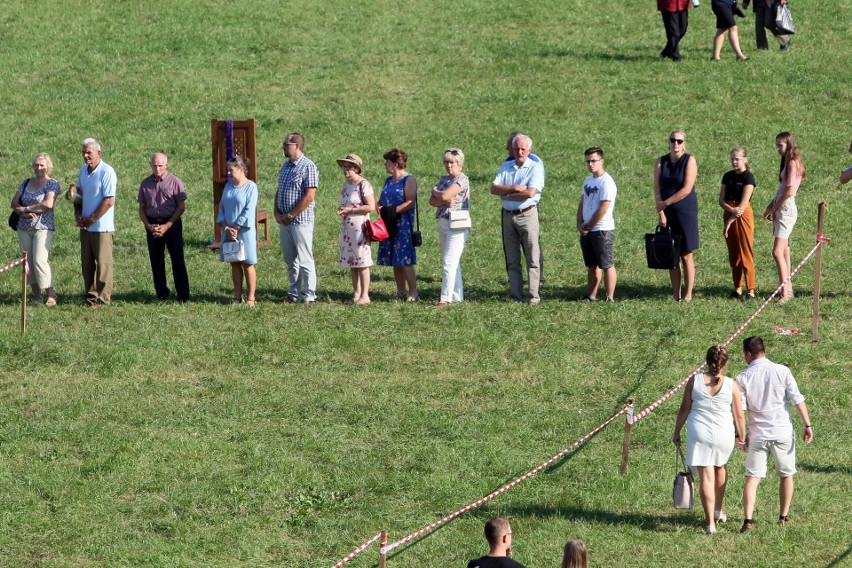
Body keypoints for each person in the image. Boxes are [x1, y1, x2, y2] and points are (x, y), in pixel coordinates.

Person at [736, 335, 813, 533]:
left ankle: (748, 521)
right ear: (764, 350)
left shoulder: (743, 377)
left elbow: (740, 411)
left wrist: (740, 436)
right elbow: (797, 399)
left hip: (757, 434)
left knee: (752, 478)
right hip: (782, 432)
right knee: (786, 475)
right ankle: (783, 517)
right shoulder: (782, 370)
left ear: (748, 354)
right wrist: (807, 424)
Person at [674, 345, 746, 534]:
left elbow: (684, 409)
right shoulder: (731, 384)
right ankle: (718, 510)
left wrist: (676, 432)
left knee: (706, 475)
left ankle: (710, 524)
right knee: (720, 467)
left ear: (706, 361)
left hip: (699, 432)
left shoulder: (694, 381)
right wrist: (742, 436)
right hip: (724, 433)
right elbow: (738, 415)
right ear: (725, 363)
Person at [491, 134, 544, 305]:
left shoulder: (535, 167)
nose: (520, 152)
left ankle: (534, 295)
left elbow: (530, 193)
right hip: (508, 217)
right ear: (512, 150)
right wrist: (513, 188)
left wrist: (506, 194)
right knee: (512, 258)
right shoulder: (506, 166)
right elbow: (493, 188)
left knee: (532, 257)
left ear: (529, 150)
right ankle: (515, 295)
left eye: (523, 149)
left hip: (528, 215)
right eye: (517, 149)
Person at [137, 152, 190, 302]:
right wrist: (148, 226)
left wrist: (167, 225)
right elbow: (141, 208)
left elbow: (181, 207)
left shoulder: (175, 182)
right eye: (154, 165)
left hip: (171, 223)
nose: (157, 168)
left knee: (177, 260)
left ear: (166, 165)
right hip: (152, 224)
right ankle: (161, 293)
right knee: (156, 260)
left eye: (160, 165)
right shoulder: (145, 184)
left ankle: (183, 295)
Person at [10, 153, 61, 305]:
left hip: (43, 227)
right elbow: (14, 202)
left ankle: (51, 295)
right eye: (36, 165)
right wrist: (21, 211)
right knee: (28, 263)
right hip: (23, 227)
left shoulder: (53, 184)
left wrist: (26, 208)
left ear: (48, 167)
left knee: (39, 260)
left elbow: (47, 204)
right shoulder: (26, 182)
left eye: (42, 165)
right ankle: (36, 295)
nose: (39, 168)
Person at [654, 129, 699, 302]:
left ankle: (688, 293)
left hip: (685, 211)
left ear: (684, 143)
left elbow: (687, 189)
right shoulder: (661, 161)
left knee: (686, 253)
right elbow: (657, 188)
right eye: (673, 140)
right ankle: (676, 293)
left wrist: (665, 203)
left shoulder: (689, 160)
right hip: (667, 212)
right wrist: (661, 212)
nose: (676, 144)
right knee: (671, 253)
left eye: (679, 141)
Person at [275, 132, 319, 304]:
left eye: (286, 144)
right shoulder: (285, 166)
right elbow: (279, 191)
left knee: (305, 258)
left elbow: (309, 196)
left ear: (297, 146)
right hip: (284, 221)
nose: (284, 147)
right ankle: (293, 293)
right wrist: (276, 213)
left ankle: (309, 295)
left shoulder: (308, 166)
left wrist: (291, 214)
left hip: (300, 221)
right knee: (290, 259)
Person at [763, 131, 804, 305]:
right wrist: (771, 204)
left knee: (777, 251)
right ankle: (789, 289)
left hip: (786, 209)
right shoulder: (787, 161)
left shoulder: (793, 163)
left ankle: (784, 292)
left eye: (781, 145)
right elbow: (782, 188)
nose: (778, 148)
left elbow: (788, 191)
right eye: (777, 145)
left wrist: (774, 207)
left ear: (789, 144)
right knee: (785, 250)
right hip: (782, 206)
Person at [75, 138, 117, 308]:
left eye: (89, 153)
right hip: (85, 226)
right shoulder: (83, 171)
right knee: (87, 263)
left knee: (103, 263)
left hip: (101, 227)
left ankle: (103, 298)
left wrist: (91, 219)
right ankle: (90, 295)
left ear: (99, 153)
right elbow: (78, 195)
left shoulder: (107, 172)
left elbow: (109, 200)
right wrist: (78, 215)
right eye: (84, 152)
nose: (86, 156)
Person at [429, 148, 470, 307]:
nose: (448, 165)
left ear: (459, 163)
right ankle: (457, 295)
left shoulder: (462, 179)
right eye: (446, 162)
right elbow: (432, 202)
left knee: (449, 261)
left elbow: (444, 196)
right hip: (443, 221)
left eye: (452, 162)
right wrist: (442, 198)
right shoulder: (444, 179)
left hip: (458, 224)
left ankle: (445, 298)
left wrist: (437, 193)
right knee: (453, 261)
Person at [377, 147, 419, 301]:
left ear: (394, 164)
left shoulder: (409, 179)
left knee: (404, 258)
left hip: (402, 224)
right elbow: (381, 200)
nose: (384, 165)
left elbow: (410, 201)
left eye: (386, 162)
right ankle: (401, 291)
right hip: (388, 223)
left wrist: (393, 211)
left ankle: (413, 291)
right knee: (395, 259)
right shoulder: (388, 180)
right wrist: (376, 208)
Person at [576, 147, 617, 303]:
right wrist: (579, 222)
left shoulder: (607, 182)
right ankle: (592, 295)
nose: (590, 164)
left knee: (606, 264)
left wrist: (589, 226)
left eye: (593, 161)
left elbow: (603, 208)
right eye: (588, 161)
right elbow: (582, 202)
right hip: (587, 229)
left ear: (602, 161)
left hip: (602, 230)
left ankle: (609, 297)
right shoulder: (588, 180)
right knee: (592, 265)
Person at [217, 156, 257, 306]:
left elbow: (249, 209)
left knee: (247, 263)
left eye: (231, 170)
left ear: (241, 170)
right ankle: (237, 296)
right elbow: (221, 207)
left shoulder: (251, 187)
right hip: (228, 231)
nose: (229, 173)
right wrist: (225, 227)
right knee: (234, 262)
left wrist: (237, 227)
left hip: (244, 231)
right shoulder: (228, 186)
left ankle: (251, 297)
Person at [335, 153, 375, 305]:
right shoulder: (346, 184)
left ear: (357, 169)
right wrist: (342, 209)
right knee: (352, 262)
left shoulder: (363, 184)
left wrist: (350, 211)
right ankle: (356, 292)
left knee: (362, 261)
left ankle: (365, 295)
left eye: (349, 167)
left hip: (360, 229)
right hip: (348, 229)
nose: (346, 170)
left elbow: (370, 206)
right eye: (344, 167)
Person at [719, 146, 757, 300]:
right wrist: (729, 211)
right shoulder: (727, 176)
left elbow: (743, 205)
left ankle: (751, 290)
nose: (734, 162)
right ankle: (737, 288)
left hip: (743, 213)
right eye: (732, 159)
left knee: (745, 250)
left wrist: (731, 220)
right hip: (729, 210)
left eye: (737, 159)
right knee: (733, 253)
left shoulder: (748, 177)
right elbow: (721, 200)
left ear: (745, 160)